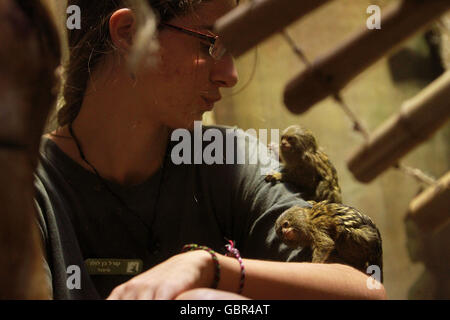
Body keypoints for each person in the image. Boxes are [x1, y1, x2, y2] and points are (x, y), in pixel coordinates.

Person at [34, 0, 386, 300]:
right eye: (211, 44)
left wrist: (209, 269)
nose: (230, 75)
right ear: (128, 32)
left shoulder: (227, 158)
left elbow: (365, 289)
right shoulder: (28, 186)